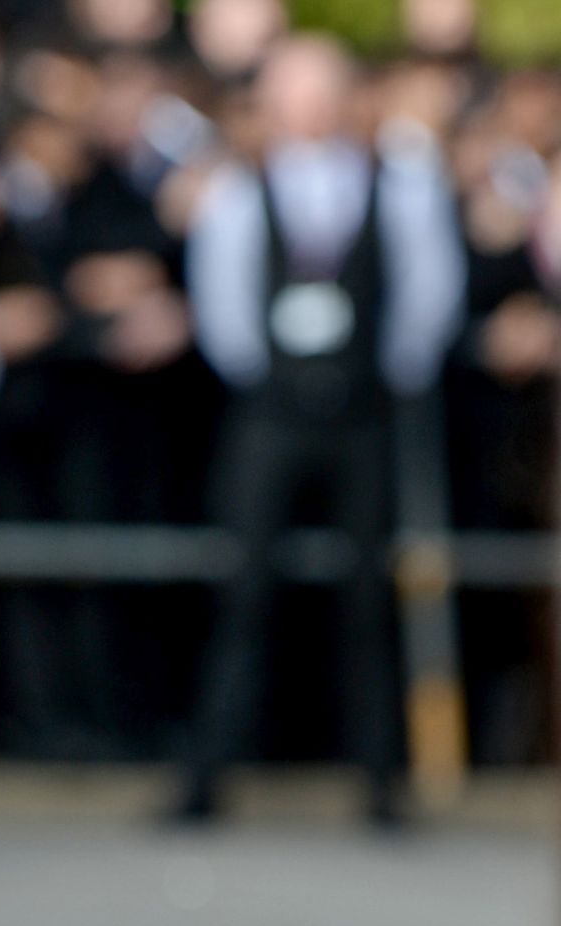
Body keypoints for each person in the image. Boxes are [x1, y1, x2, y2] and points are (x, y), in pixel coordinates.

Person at [175, 35, 466, 824]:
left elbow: (429, 294)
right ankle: (207, 775)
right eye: (291, 92)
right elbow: (222, 300)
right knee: (244, 590)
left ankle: (381, 782)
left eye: (320, 90)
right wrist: (274, 380)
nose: (307, 108)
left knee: (370, 598)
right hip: (270, 419)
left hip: (364, 417)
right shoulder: (240, 191)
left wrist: (376, 378)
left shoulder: (402, 185)